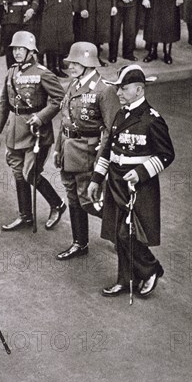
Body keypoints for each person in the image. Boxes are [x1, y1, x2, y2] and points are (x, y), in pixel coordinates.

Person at [88, 65, 175, 297]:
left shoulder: (152, 119)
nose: (118, 93)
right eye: (118, 89)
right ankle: (125, 280)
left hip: (139, 185)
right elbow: (108, 151)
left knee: (129, 233)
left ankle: (150, 269)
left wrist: (141, 172)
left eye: (123, 89)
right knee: (119, 233)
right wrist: (97, 178)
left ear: (139, 89)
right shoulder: (120, 114)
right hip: (116, 181)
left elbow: (166, 154)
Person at [0, 30, 66, 231]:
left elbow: (60, 99)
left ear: (31, 51)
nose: (16, 53)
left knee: (30, 173)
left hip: (36, 132)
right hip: (15, 130)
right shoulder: (11, 72)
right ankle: (25, 216)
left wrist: (41, 117)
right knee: (17, 172)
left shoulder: (43, 73)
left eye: (21, 49)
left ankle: (57, 204)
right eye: (14, 49)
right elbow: (4, 102)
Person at [54, 42, 120, 260]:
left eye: (76, 63)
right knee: (73, 198)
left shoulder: (104, 90)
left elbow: (111, 132)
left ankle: (123, 234)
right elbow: (65, 119)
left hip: (88, 155)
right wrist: (58, 149)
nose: (70, 66)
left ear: (89, 63)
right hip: (69, 151)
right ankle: (79, 242)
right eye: (71, 62)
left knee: (89, 202)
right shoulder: (74, 84)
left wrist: (101, 164)